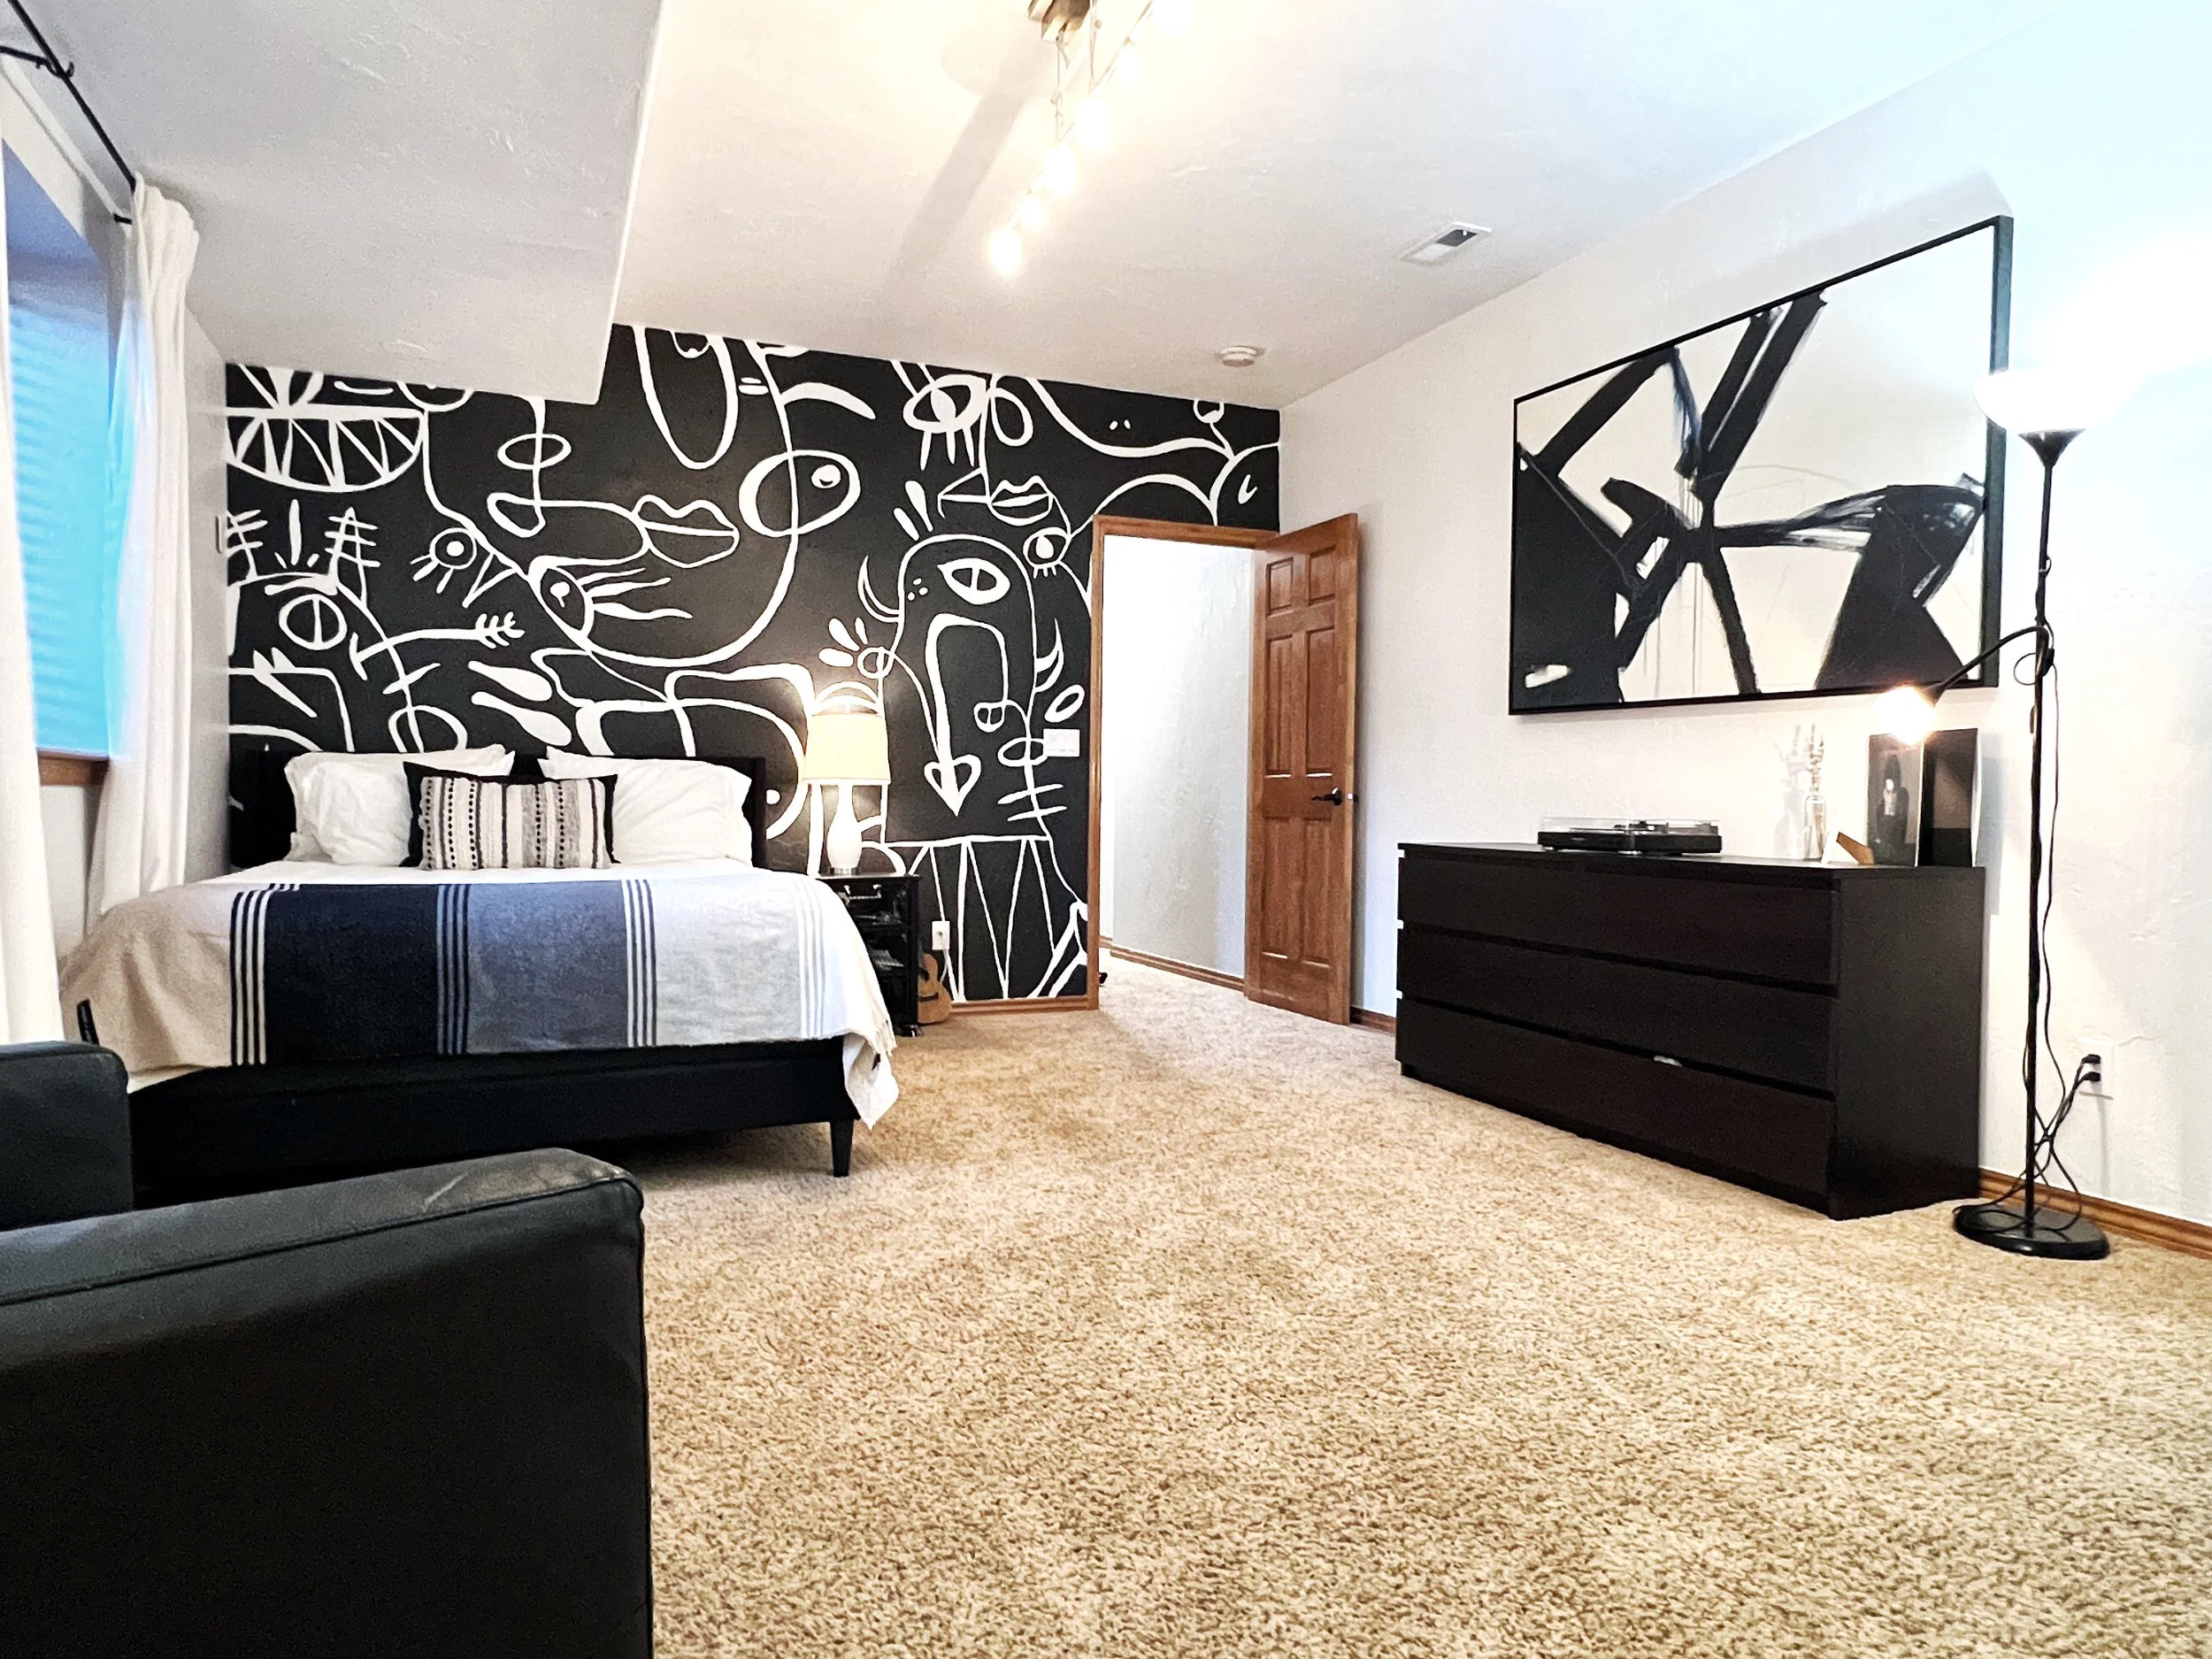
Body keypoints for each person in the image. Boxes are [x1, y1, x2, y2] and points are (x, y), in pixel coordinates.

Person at [1870, 749, 1915, 865]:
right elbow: (1881, 814)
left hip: (1895, 831)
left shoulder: (1902, 794)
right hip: (1886, 826)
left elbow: (1900, 819)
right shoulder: (1883, 796)